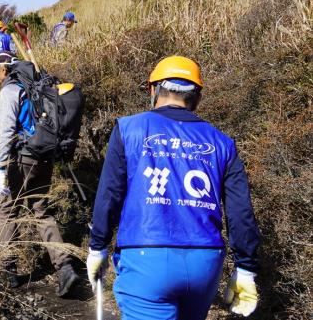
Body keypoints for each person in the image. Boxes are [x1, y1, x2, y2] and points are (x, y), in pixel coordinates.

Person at [86, 56, 261, 320]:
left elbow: (109, 194)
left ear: (152, 89)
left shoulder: (128, 129)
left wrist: (98, 246)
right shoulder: (223, 143)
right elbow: (240, 211)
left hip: (146, 257)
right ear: (197, 96)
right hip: (205, 262)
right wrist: (245, 268)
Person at [0, 51, 80, 297]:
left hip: (22, 158)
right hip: (45, 156)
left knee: (8, 210)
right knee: (41, 211)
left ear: (2, 69)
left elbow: (6, 132)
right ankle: (65, 267)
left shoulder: (9, 90)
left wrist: (0, 169)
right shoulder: (36, 85)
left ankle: (8, 271)